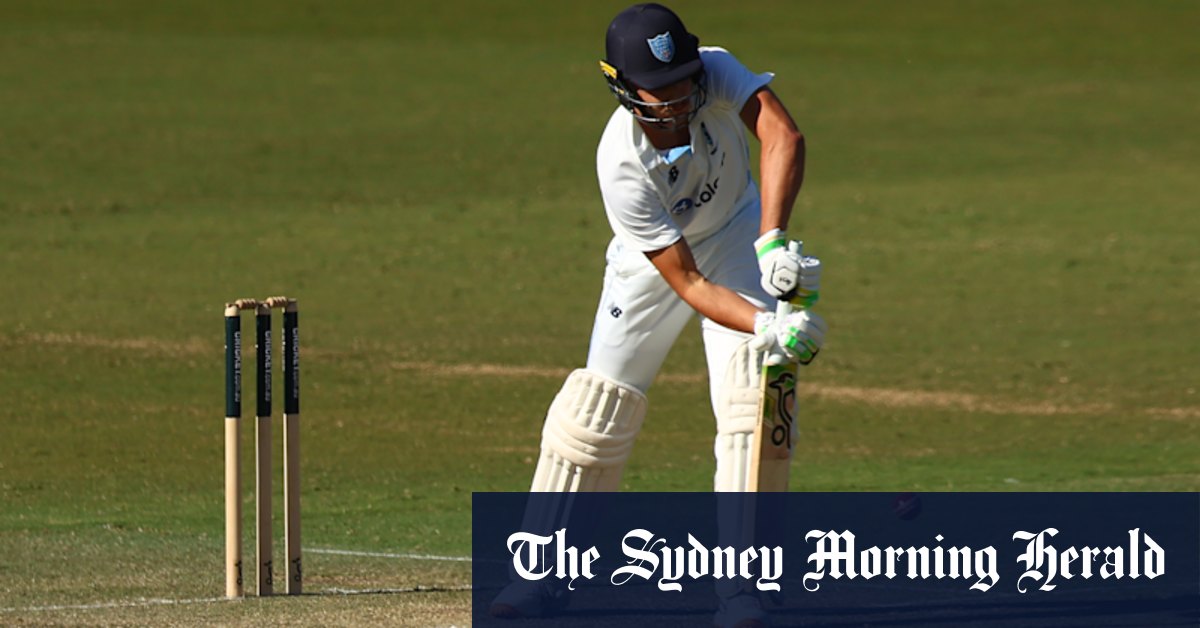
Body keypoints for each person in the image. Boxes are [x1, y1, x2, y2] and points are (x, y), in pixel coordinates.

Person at [491, 4, 826, 625]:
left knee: (753, 400)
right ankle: (541, 575)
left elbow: (783, 135)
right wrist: (766, 323)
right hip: (658, 263)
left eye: (683, 83)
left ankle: (743, 587)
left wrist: (773, 239)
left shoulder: (718, 72)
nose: (676, 99)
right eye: (658, 89)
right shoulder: (620, 162)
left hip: (732, 235)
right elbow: (688, 281)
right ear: (620, 85)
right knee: (597, 412)